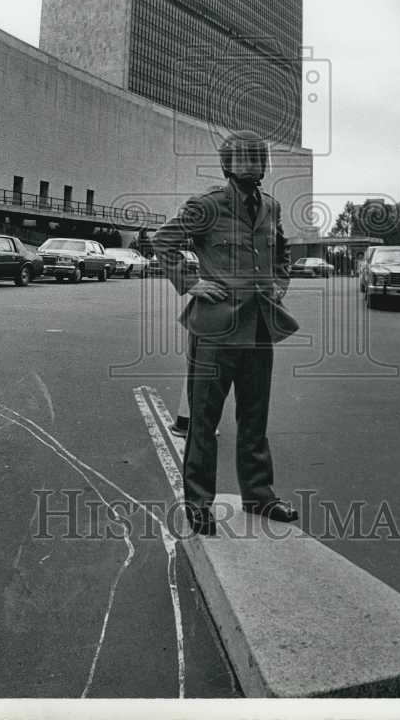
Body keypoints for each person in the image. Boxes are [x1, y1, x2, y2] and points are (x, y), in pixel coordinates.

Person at [153, 130, 299, 536]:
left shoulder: (270, 207)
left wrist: (278, 285)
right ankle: (199, 505)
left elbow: (283, 252)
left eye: (258, 157)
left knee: (255, 419)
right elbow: (163, 241)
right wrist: (190, 283)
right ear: (228, 165)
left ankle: (260, 495)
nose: (253, 164)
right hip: (215, 332)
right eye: (244, 158)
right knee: (204, 421)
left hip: (258, 331)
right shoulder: (208, 206)